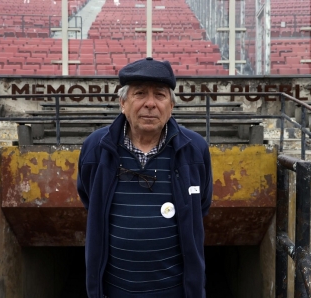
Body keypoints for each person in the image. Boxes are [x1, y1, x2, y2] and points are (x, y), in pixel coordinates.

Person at [77, 57, 213, 298]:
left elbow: (200, 207)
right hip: (114, 292)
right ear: (123, 103)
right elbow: (91, 200)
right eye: (140, 94)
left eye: (160, 95)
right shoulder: (95, 149)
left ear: (171, 106)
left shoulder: (196, 150)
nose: (150, 104)